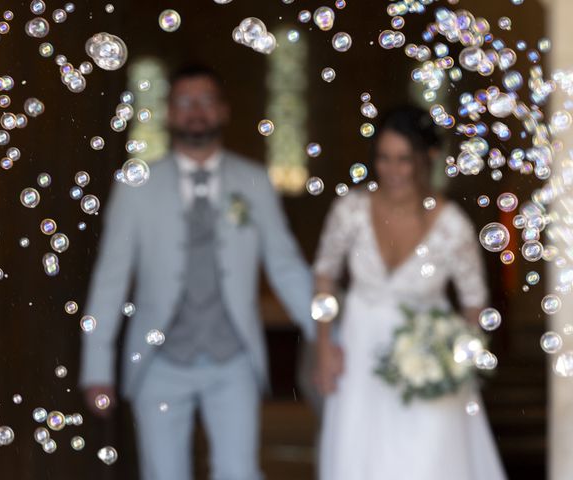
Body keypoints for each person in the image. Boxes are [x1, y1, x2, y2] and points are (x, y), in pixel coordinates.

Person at [78, 64, 315, 480]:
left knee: (239, 472)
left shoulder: (254, 182)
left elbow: (285, 265)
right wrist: (97, 367)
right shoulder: (138, 188)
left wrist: (326, 336)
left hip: (233, 357)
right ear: (169, 113)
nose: (196, 112)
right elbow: (110, 279)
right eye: (185, 103)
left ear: (223, 111)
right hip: (159, 360)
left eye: (206, 101)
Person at [313, 107, 507, 479]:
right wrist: (325, 343)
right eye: (384, 158)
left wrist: (455, 362)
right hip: (358, 353)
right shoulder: (350, 210)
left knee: (427, 462)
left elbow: (473, 304)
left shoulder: (452, 226)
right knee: (359, 459)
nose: (393, 171)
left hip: (428, 358)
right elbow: (324, 275)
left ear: (427, 158)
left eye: (404, 159)